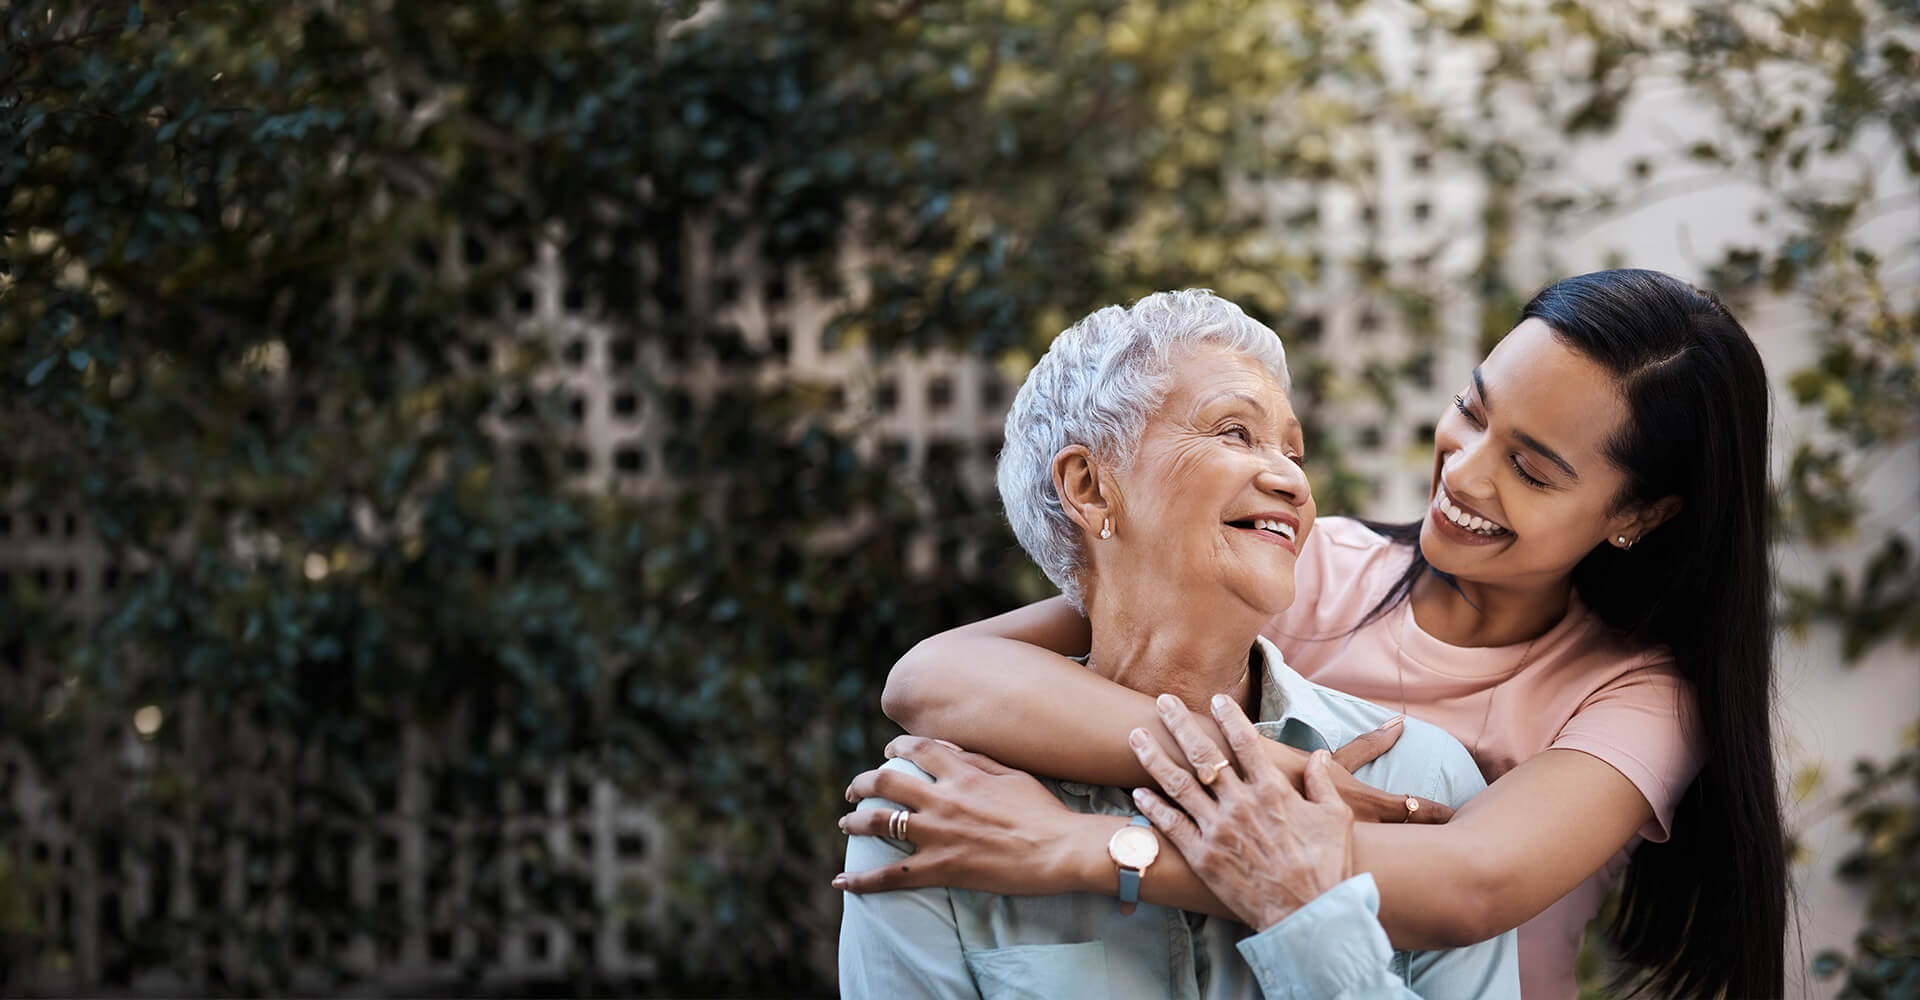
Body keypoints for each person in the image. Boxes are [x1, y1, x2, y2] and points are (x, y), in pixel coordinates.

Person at [847, 270, 1788, 999]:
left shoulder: (1630, 697)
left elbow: (1467, 881)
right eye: (1471, 410)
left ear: (1640, 514)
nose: (1465, 474)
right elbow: (943, 672)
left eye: (1534, 471)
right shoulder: (1314, 566)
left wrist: (1090, 852)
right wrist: (1284, 772)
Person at [836, 290, 1520, 998]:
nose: (1292, 479)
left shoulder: (1418, 780)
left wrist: (1299, 911)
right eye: (1234, 433)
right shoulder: (932, 809)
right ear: (1089, 487)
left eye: (1294, 450)